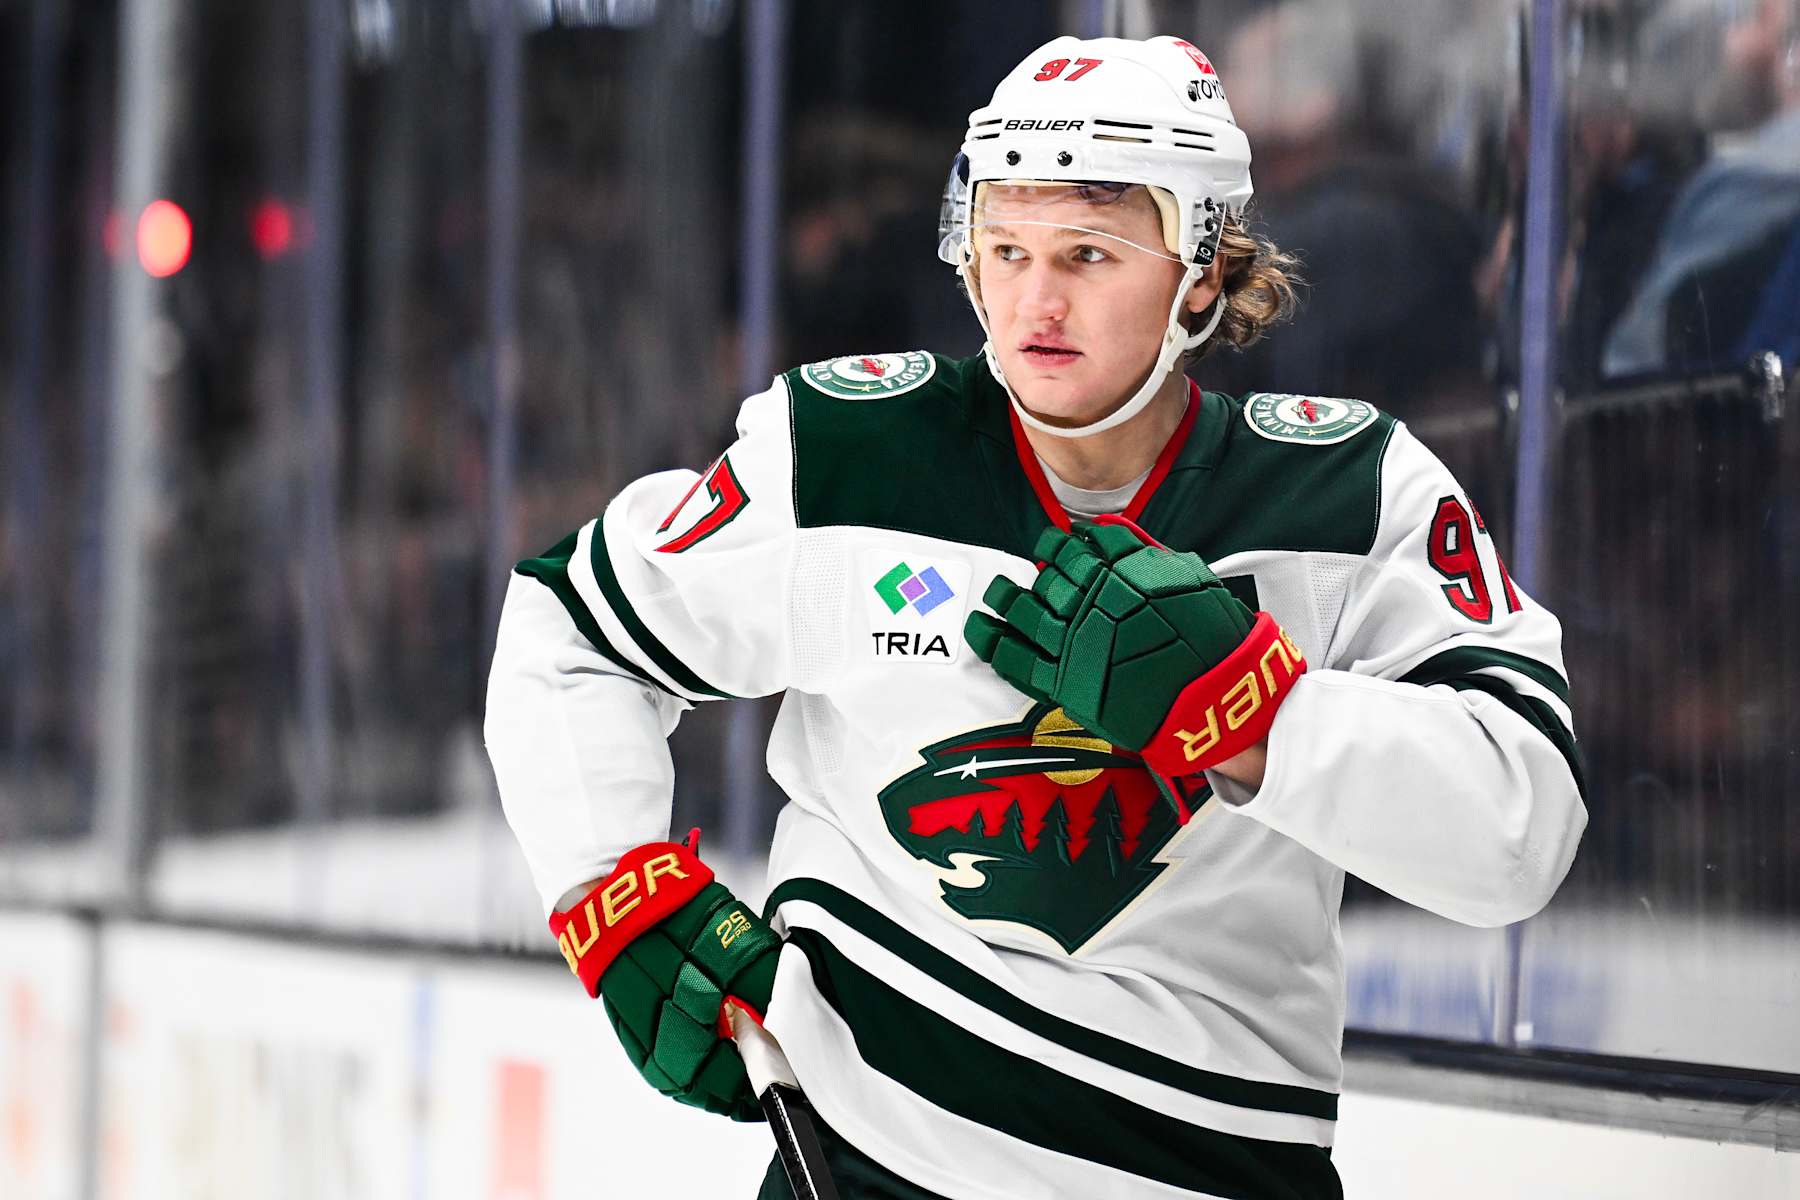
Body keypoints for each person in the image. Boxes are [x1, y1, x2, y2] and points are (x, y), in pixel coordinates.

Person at [485, 34, 1588, 1200]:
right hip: (863, 1165)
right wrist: (617, 895)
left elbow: (1520, 831)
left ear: (1202, 271)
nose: (1035, 300)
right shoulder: (847, 456)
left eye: (1089, 254)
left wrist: (1258, 715)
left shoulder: (1349, 492)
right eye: (1005, 250)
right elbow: (573, 629)